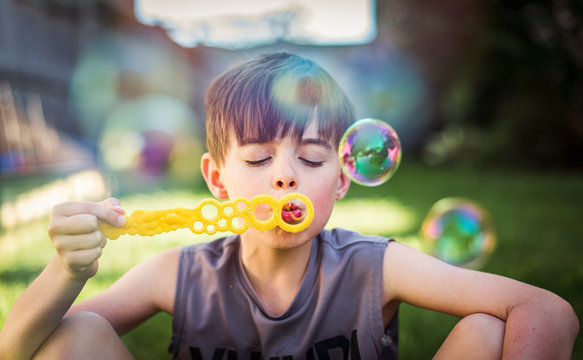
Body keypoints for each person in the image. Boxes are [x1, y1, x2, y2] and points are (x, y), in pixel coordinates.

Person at [0, 52, 578, 359]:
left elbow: (549, 312)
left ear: (345, 176)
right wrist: (67, 268)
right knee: (73, 337)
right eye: (256, 161)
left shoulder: (375, 268)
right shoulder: (180, 276)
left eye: (311, 157)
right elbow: (19, 349)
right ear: (216, 179)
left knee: (484, 330)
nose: (284, 179)